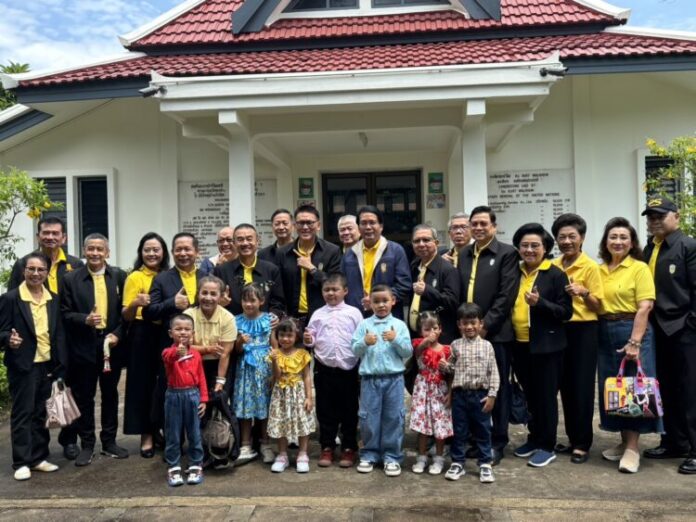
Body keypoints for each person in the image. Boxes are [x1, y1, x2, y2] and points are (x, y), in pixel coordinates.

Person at [596, 217, 659, 474]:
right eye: (613, 237)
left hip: (632, 329)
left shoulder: (639, 268)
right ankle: (624, 442)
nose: (618, 241)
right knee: (616, 387)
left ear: (632, 243)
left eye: (624, 237)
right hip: (605, 330)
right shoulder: (600, 270)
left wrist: (635, 342)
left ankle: (633, 448)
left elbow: (645, 307)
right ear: (605, 242)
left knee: (634, 387)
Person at [59, 233, 127, 466]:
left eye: (100, 249)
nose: (95, 253)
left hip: (111, 345)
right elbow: (64, 313)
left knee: (110, 394)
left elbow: (126, 312)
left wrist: (118, 334)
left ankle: (109, 442)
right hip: (83, 346)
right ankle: (87, 445)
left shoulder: (119, 276)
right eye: (91, 249)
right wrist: (84, 319)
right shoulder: (71, 279)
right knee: (84, 396)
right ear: (84, 251)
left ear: (107, 252)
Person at [458, 205, 519, 464]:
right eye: (475, 224)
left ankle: (497, 442)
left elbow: (506, 295)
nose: (479, 228)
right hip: (468, 334)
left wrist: (484, 327)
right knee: (471, 389)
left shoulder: (507, 253)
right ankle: (477, 439)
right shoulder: (464, 253)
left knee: (497, 388)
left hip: (495, 335)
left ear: (494, 226)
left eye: (484, 223)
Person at [641, 197, 696, 474]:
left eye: (660, 216)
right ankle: (675, 442)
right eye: (651, 217)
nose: (655, 221)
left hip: (684, 329)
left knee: (690, 391)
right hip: (658, 330)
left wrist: (691, 324)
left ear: (676, 216)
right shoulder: (650, 247)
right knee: (666, 390)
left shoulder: (688, 246)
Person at [510, 223, 572, 468]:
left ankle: (547, 445)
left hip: (547, 346)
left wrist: (541, 303)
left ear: (545, 248)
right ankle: (534, 438)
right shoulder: (514, 271)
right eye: (524, 245)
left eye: (535, 245)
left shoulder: (555, 274)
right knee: (530, 396)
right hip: (519, 344)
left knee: (546, 397)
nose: (529, 250)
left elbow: (566, 312)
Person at [0, 253, 67, 481]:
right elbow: (1, 331)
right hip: (23, 365)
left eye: (41, 270)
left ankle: (38, 458)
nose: (36, 274)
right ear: (23, 271)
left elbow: (58, 333)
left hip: (48, 364)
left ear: (47, 273)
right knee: (23, 413)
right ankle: (21, 461)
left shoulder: (53, 299)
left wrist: (61, 364)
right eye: (31, 269)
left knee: (41, 413)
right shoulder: (10, 299)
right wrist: (8, 339)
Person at [551, 214, 604, 463]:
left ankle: (582, 443)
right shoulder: (553, 265)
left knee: (581, 387)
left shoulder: (590, 267)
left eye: (572, 236)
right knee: (565, 386)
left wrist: (584, 292)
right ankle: (572, 438)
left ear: (582, 238)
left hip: (583, 330)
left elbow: (599, 306)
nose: (567, 241)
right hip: (559, 329)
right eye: (562, 237)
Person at [143, 232, 205, 436]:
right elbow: (149, 312)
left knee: (201, 392)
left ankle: (200, 439)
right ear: (172, 252)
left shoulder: (206, 277)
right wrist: (172, 303)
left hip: (202, 348)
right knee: (170, 394)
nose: (183, 253)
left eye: (187, 249)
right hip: (172, 351)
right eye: (178, 249)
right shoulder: (162, 278)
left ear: (197, 251)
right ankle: (171, 439)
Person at [304, 273, 364, 468]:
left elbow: (361, 338)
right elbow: (311, 338)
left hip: (349, 369)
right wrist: (309, 340)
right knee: (325, 410)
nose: (330, 293)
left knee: (350, 410)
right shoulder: (317, 314)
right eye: (327, 290)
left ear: (345, 291)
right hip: (324, 368)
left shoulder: (354, 313)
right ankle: (327, 446)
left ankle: (349, 447)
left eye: (335, 289)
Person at [351, 284, 412, 477]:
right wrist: (364, 342)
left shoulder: (399, 325)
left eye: (385, 301)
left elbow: (408, 352)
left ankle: (392, 456)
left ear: (393, 301)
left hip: (394, 379)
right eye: (376, 302)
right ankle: (369, 454)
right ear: (370, 303)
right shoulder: (364, 325)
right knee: (369, 418)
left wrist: (395, 339)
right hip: (370, 379)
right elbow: (354, 350)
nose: (381, 305)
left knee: (393, 418)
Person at [121, 232, 170, 458]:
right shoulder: (135, 277)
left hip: (165, 333)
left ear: (163, 252)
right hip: (142, 334)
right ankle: (146, 436)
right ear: (141, 253)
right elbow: (126, 315)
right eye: (147, 250)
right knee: (142, 386)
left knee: (164, 385)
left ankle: (161, 429)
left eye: (156, 250)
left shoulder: (169, 275)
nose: (151, 254)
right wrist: (135, 303)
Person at [441, 303, 499, 483]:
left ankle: (485, 464)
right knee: (459, 431)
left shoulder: (487, 346)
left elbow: (493, 372)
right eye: (465, 323)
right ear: (459, 325)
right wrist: (445, 366)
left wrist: (492, 395)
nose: (469, 327)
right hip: (460, 395)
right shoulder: (455, 345)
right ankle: (457, 463)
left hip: (480, 395)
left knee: (483, 431)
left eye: (473, 323)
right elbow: (452, 369)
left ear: (481, 324)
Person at [161, 314, 208, 487]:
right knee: (173, 433)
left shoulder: (196, 354)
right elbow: (169, 358)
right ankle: (173, 467)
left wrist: (203, 399)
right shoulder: (168, 352)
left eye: (187, 329)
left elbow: (201, 377)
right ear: (170, 333)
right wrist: (177, 352)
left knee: (194, 432)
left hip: (193, 395)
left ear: (193, 333)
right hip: (174, 395)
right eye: (178, 329)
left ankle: (196, 465)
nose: (183, 332)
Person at [276, 205, 341, 326]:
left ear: (318, 225)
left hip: (323, 315)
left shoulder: (331, 251)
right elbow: (278, 289)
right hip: (291, 318)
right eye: (301, 223)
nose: (305, 227)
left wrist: (312, 269)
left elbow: (335, 284)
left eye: (310, 223)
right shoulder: (283, 253)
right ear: (295, 226)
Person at [342, 205, 412, 319]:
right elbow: (342, 286)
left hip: (388, 317)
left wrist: (377, 300)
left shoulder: (395, 251)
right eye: (363, 223)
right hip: (356, 316)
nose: (368, 227)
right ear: (358, 228)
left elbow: (404, 285)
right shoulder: (349, 254)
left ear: (381, 226)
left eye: (372, 222)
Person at [234, 283, 275, 464]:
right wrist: (240, 342)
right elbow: (235, 350)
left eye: (252, 300)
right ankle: (245, 445)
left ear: (261, 301)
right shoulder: (236, 320)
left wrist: (275, 372)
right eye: (245, 300)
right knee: (245, 405)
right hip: (245, 369)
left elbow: (274, 346)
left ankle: (265, 443)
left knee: (264, 404)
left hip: (264, 368)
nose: (248, 304)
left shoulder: (269, 320)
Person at [267, 320, 315, 473]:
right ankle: (282, 455)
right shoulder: (275, 354)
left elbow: (307, 376)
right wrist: (275, 360)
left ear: (296, 337)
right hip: (281, 393)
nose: (285, 339)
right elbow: (277, 375)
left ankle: (302, 454)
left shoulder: (302, 354)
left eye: (289, 335)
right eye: (282, 335)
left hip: (299, 392)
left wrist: (309, 397)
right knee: (281, 422)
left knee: (302, 421)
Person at [408, 311, 453, 476]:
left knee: (440, 426)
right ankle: (421, 457)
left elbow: (450, 374)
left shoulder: (447, 350)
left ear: (440, 329)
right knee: (423, 426)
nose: (431, 332)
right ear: (421, 331)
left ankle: (439, 458)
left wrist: (450, 393)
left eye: (434, 328)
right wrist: (426, 341)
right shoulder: (418, 344)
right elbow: (417, 351)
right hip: (422, 389)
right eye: (426, 329)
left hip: (440, 390)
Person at [214, 223, 286, 318]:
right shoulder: (222, 271)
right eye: (240, 239)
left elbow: (278, 301)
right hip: (232, 324)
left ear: (257, 241)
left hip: (265, 324)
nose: (245, 243)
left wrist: (275, 315)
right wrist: (219, 303)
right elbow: (214, 300)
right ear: (234, 243)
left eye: (249, 239)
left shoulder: (271, 270)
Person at [408, 224, 460, 344]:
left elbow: (452, 302)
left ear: (436, 243)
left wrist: (427, 291)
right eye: (416, 241)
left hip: (439, 340)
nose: (421, 244)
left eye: (426, 240)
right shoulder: (414, 266)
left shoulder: (448, 269)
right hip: (417, 337)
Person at [8, 216, 83, 294]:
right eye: (46, 233)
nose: (50, 237)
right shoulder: (23, 264)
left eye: (55, 233)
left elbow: (81, 294)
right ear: (38, 237)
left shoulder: (76, 264)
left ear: (64, 238)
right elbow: (12, 297)